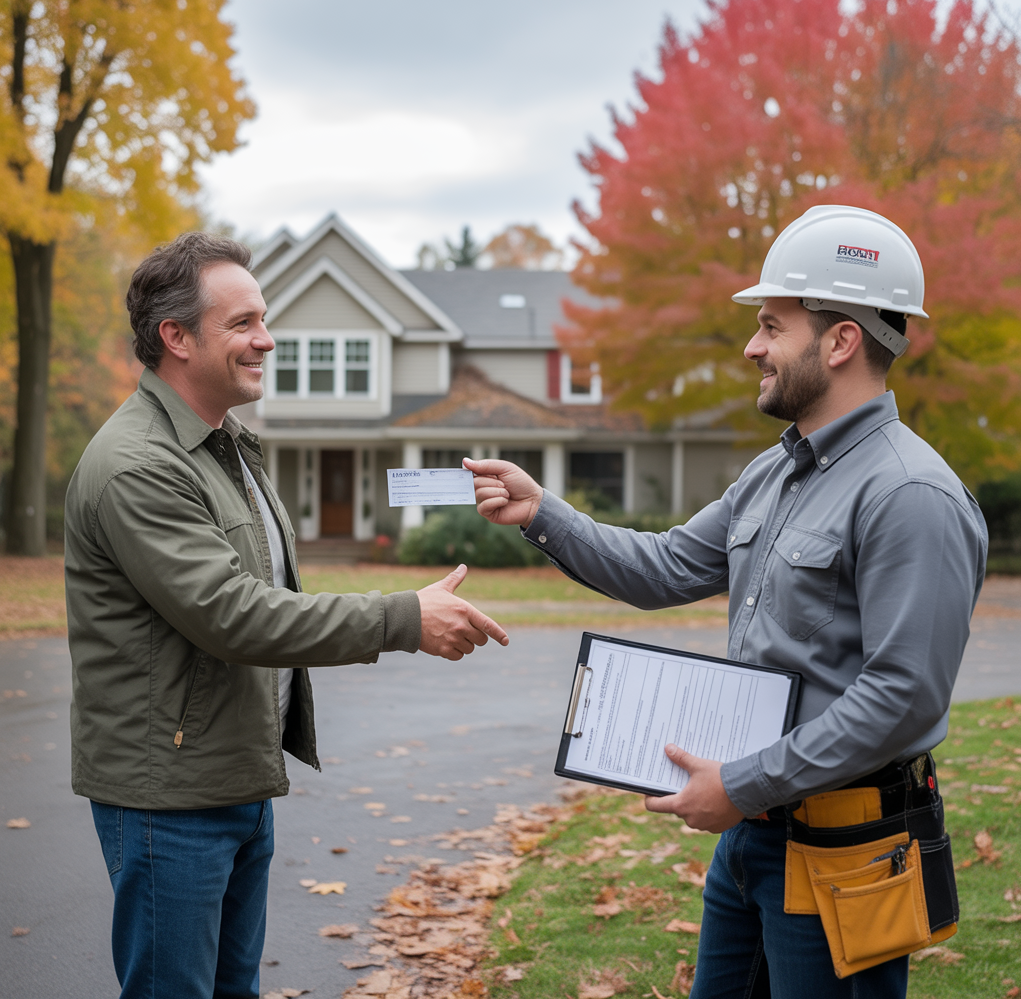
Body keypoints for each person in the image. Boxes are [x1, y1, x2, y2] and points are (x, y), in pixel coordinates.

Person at [467, 205, 987, 999]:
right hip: (751, 841)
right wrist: (544, 513)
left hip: (845, 847)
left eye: (772, 326)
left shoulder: (911, 494)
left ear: (841, 339)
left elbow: (905, 698)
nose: (753, 347)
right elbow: (668, 565)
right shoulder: (774, 473)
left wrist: (743, 782)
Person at [64, 231, 508, 999]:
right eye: (242, 323)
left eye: (262, 319)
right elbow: (234, 615)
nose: (266, 339)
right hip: (168, 797)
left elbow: (269, 598)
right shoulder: (138, 464)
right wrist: (402, 618)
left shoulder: (225, 449)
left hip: (234, 776)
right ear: (176, 337)